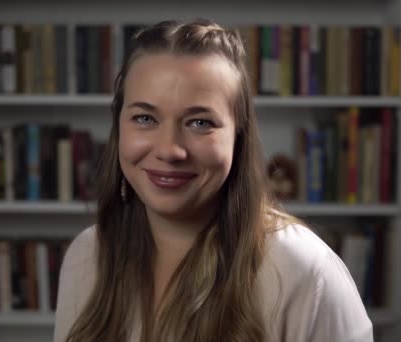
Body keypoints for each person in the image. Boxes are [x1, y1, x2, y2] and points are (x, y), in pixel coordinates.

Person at [54, 19, 373, 342]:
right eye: (145, 118)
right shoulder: (87, 255)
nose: (169, 150)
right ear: (119, 127)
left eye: (200, 122)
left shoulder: (303, 271)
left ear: (239, 135)